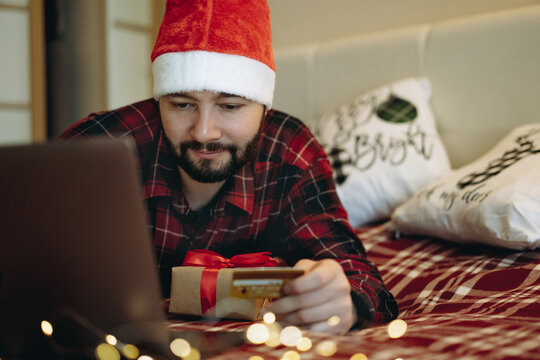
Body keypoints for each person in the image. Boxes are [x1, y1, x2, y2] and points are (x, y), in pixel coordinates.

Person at [59, 0, 398, 334]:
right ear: (158, 100)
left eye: (230, 106)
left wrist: (347, 303)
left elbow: (360, 277)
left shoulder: (291, 152)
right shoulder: (100, 145)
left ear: (264, 108)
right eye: (181, 104)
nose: (204, 131)